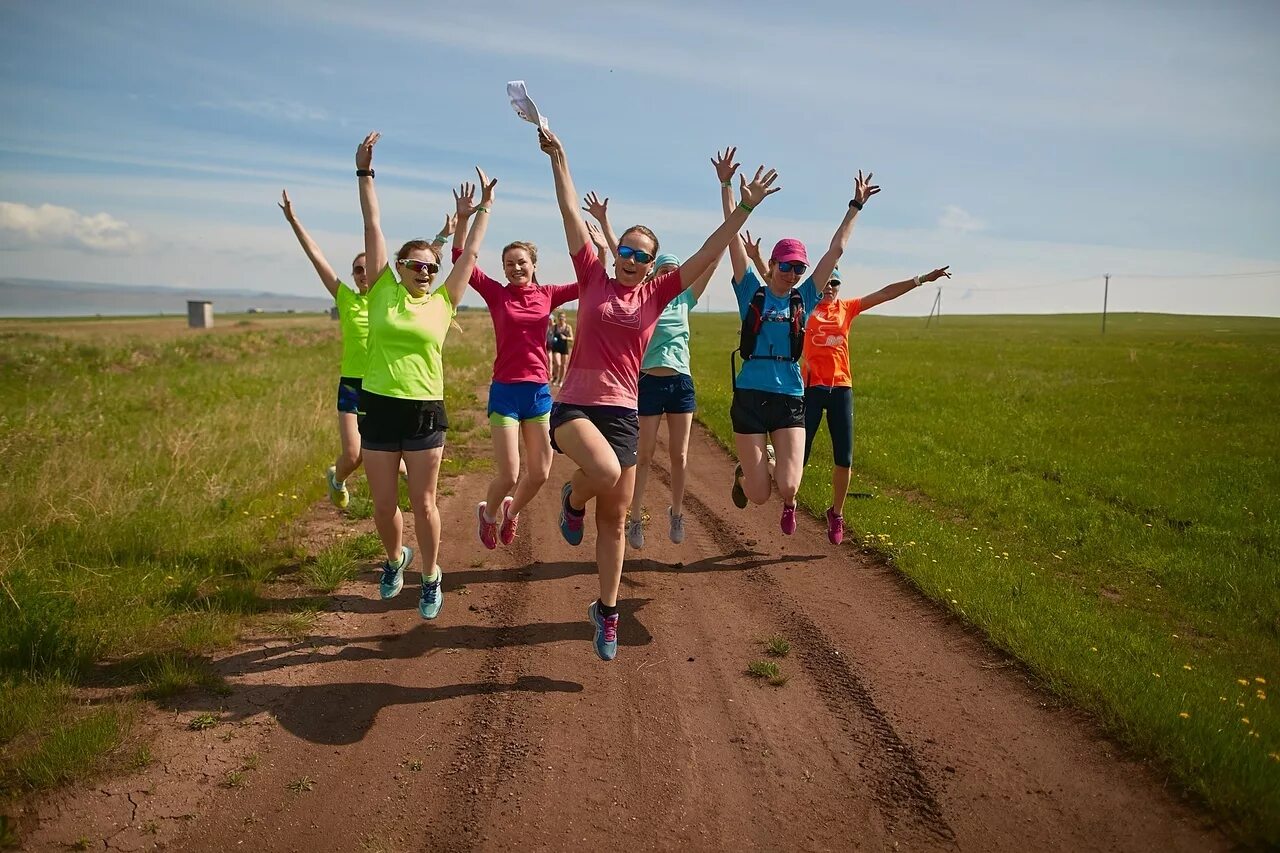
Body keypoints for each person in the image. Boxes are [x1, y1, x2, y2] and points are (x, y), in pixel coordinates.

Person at [538, 127, 779, 661]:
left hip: (625, 408)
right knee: (599, 474)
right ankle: (571, 499)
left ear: (651, 264)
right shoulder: (592, 278)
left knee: (617, 519)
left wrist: (742, 208)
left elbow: (707, 252)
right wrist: (561, 159)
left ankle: (606, 610)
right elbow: (570, 217)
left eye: (641, 256)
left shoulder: (658, 294)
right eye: (624, 250)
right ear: (615, 252)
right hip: (577, 404)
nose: (630, 259)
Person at [355, 130, 495, 619]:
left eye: (432, 267)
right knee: (382, 504)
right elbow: (373, 225)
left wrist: (483, 211)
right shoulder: (381, 292)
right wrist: (365, 173)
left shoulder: (441, 302)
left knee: (425, 502)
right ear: (399, 267)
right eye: (417, 265)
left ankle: (431, 575)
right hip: (378, 406)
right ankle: (395, 559)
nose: (425, 272)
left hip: (423, 410)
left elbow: (471, 257)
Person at [725, 156, 880, 535]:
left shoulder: (805, 298)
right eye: (787, 266)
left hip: (791, 396)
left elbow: (836, 251)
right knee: (760, 494)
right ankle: (744, 477)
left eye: (799, 268)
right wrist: (729, 189)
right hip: (749, 394)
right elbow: (730, 238)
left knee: (790, 486)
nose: (793, 273)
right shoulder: (751, 292)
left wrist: (855, 206)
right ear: (773, 264)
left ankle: (782, 488)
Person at [581, 177, 725, 550]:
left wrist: (729, 204)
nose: (667, 274)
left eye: (672, 270)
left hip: (680, 383)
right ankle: (635, 518)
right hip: (646, 382)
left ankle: (675, 512)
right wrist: (606, 225)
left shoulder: (684, 300)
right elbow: (625, 257)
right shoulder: (646, 299)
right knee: (643, 457)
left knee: (678, 455)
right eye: (663, 269)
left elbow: (710, 257)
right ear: (655, 272)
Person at [449, 181, 579, 551]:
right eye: (509, 263)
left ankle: (511, 512)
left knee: (539, 473)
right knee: (509, 473)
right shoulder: (496, 293)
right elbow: (462, 258)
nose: (516, 267)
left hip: (537, 393)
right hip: (505, 392)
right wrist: (468, 216)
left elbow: (590, 281)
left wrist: (600, 246)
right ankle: (488, 514)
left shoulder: (549, 294)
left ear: (533, 265)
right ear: (503, 268)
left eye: (522, 262)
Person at [798, 264, 951, 543]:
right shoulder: (804, 307)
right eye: (825, 284)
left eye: (835, 283)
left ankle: (837, 513)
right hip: (811, 389)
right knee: (800, 456)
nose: (829, 289)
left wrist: (922, 279)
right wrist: (760, 260)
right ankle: (789, 502)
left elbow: (885, 293)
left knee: (844, 458)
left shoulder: (847, 308)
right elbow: (776, 286)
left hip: (842, 388)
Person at [549, 311, 573, 386]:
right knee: (558, 364)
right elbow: (550, 334)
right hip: (556, 347)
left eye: (562, 317)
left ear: (565, 319)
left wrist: (566, 338)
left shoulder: (568, 327)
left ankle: (561, 380)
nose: (561, 319)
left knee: (563, 365)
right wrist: (551, 339)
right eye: (560, 317)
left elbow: (572, 338)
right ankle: (555, 377)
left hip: (564, 348)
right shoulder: (555, 327)